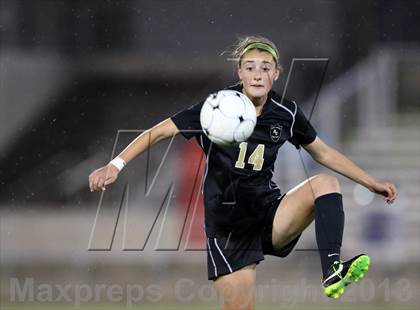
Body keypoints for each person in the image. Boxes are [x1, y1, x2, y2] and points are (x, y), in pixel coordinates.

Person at [89, 35, 398, 310]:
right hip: (229, 227)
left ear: (276, 74)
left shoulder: (286, 112)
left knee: (325, 183)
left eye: (265, 67)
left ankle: (331, 271)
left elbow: (324, 152)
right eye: (249, 67)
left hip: (269, 213)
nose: (257, 73)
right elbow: (158, 132)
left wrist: (371, 182)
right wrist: (115, 164)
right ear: (239, 73)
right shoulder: (216, 107)